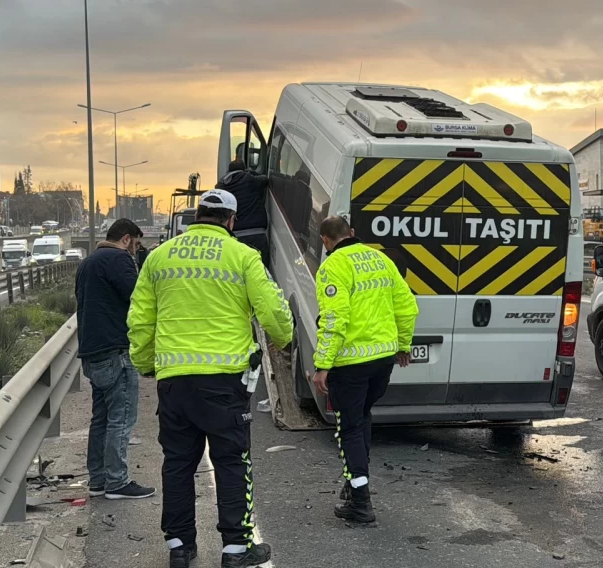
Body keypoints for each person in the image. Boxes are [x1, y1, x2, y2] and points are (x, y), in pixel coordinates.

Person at [129, 189, 293, 568]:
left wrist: (146, 362)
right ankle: (236, 548)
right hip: (224, 382)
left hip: (174, 381)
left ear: (196, 215)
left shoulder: (159, 257)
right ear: (232, 221)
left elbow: (140, 319)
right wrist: (285, 340)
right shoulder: (242, 256)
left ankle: (180, 547)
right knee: (231, 461)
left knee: (177, 463)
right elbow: (272, 309)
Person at [311, 216, 419, 524]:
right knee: (362, 418)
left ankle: (360, 500)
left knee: (349, 427)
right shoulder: (381, 259)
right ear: (353, 233)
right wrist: (403, 344)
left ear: (324, 240)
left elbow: (335, 318)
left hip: (350, 364)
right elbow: (408, 306)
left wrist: (323, 364)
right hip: (382, 361)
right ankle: (354, 482)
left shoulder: (332, 267)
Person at [75, 218, 155, 501]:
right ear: (125, 238)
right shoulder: (119, 260)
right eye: (136, 243)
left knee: (101, 418)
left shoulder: (88, 262)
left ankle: (98, 479)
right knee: (121, 418)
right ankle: (117, 482)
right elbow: (139, 299)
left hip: (91, 351)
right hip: (116, 350)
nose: (136, 249)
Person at [216, 159, 269, 264]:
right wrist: (251, 172)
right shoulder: (249, 179)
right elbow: (265, 179)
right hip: (256, 234)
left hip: (234, 237)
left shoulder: (221, 187)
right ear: (243, 169)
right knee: (261, 270)